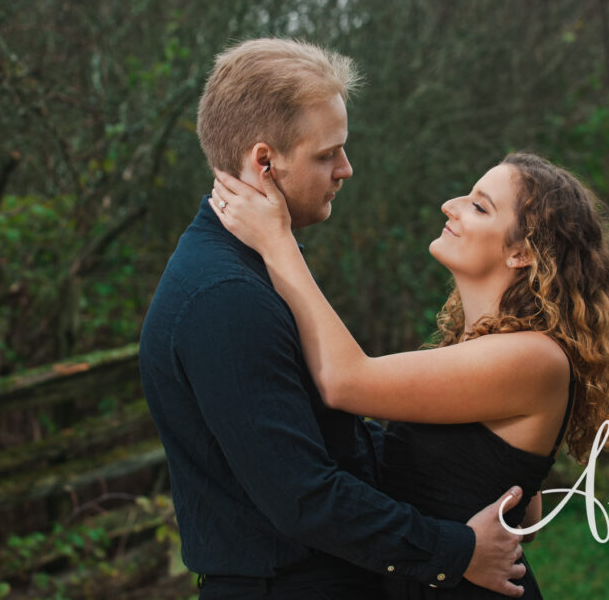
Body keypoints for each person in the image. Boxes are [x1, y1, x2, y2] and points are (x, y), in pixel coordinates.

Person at [139, 38, 527, 599]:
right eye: (328, 154)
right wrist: (455, 551)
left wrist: (480, 469)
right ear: (265, 162)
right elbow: (302, 496)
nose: (346, 169)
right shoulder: (224, 297)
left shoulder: (257, 265)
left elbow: (333, 437)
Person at [210, 151, 609, 598]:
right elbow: (521, 508)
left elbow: (344, 381)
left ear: (520, 253)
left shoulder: (533, 356)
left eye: (478, 205)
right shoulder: (490, 350)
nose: (450, 205)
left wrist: (276, 240)